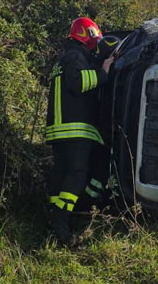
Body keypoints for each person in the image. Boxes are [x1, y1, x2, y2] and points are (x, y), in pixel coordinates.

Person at [45, 17, 114, 245]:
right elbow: (78, 83)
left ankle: (64, 215)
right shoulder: (75, 57)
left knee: (62, 175)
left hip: (60, 131)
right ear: (89, 35)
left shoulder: (64, 59)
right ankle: (62, 222)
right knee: (77, 175)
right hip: (74, 130)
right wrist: (103, 72)